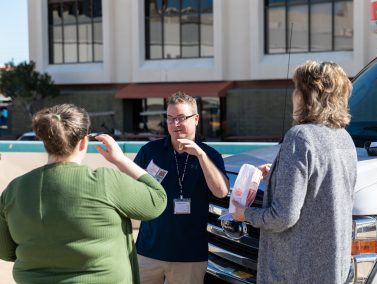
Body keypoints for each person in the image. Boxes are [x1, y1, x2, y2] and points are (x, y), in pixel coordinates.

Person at [0, 103, 167, 284]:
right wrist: (120, 161)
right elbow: (157, 199)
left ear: (45, 141)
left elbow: (5, 250)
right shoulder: (105, 182)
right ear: (84, 142)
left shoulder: (15, 190)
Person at [233, 61, 357, 284]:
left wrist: (245, 215)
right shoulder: (344, 138)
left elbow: (283, 217)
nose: (293, 95)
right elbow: (324, 193)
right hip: (332, 269)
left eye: (296, 88)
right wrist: (279, 175)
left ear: (308, 95)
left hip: (293, 271)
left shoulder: (299, 137)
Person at [134, 91, 229, 284]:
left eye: (180, 118)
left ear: (195, 119)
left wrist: (201, 156)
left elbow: (221, 192)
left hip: (189, 256)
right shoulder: (150, 151)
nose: (175, 124)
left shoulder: (210, 155)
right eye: (170, 119)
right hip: (148, 252)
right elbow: (130, 189)